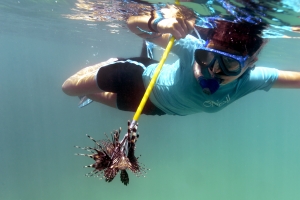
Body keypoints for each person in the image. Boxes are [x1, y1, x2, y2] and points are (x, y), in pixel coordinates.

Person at [62, 6, 300, 116]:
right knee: (69, 89)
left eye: (230, 64)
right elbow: (133, 25)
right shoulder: (189, 48)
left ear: (250, 63)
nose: (213, 70)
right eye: (206, 57)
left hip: (154, 107)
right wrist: (159, 24)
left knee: (91, 93)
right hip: (138, 75)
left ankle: (96, 84)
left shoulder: (254, 79)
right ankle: (111, 63)